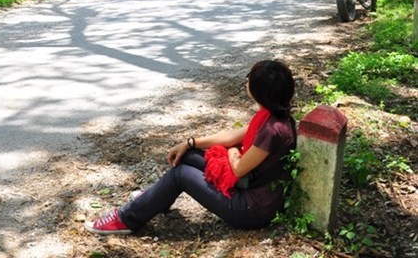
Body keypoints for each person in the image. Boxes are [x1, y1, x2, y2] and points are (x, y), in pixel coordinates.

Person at [85, 59, 297, 235]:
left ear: (259, 93)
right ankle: (154, 199)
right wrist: (189, 143)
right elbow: (232, 136)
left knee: (181, 175)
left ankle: (126, 218)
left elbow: (238, 167)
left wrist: (233, 150)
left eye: (249, 80)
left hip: (251, 209)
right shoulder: (272, 115)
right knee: (189, 156)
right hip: (248, 186)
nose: (246, 83)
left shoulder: (273, 130)